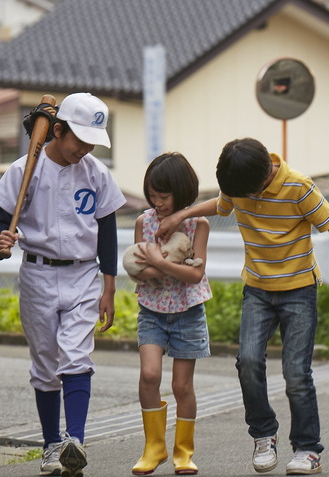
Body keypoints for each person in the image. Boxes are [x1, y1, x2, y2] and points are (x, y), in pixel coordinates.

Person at [156, 138, 329, 476]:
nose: (245, 199)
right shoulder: (241, 181)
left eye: (249, 193)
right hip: (257, 289)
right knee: (248, 362)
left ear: (264, 178)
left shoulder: (299, 187)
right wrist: (182, 214)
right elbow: (220, 205)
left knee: (296, 374)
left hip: (299, 290)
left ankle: (307, 448)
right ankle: (264, 435)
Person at [0, 93, 126, 477]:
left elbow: (108, 233)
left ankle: (74, 442)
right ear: (58, 130)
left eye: (91, 142)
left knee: (77, 355)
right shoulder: (24, 169)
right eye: (79, 140)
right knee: (46, 364)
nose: (84, 149)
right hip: (38, 273)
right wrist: (1, 243)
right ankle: (51, 445)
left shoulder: (96, 172)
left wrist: (109, 287)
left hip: (84, 273)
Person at [129, 152, 212, 476]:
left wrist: (159, 262)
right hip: (152, 310)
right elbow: (137, 271)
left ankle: (183, 452)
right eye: (152, 195)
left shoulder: (197, 224)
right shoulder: (143, 222)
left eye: (163, 196)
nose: (157, 202)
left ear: (182, 190)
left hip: (188, 312)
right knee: (149, 375)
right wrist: (164, 266)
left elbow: (195, 276)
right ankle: (154, 447)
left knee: (182, 386)